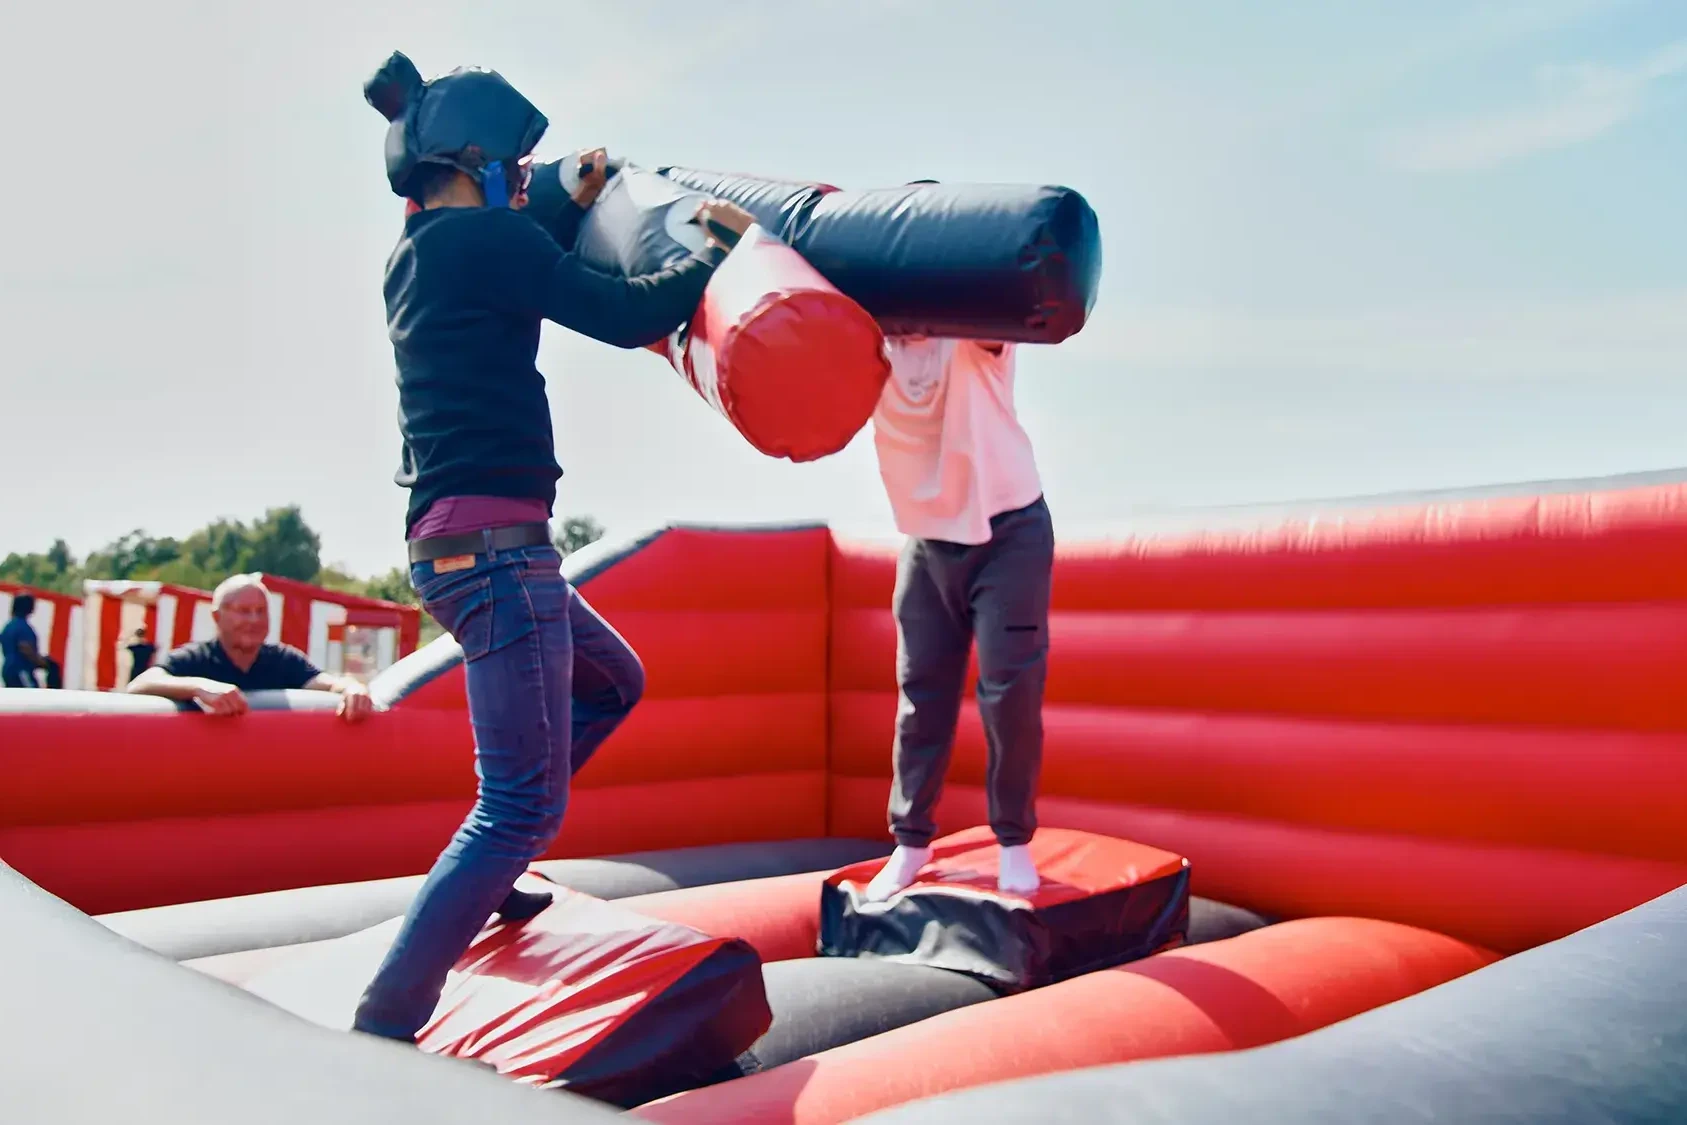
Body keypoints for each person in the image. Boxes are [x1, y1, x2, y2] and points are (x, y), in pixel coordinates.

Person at [349, 52, 755, 1044]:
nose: (530, 179)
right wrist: (711, 246)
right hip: (500, 556)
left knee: (611, 681)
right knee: (518, 807)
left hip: (456, 547)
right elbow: (623, 314)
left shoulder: (423, 248)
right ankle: (381, 1025)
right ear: (478, 161)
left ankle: (496, 885)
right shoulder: (486, 241)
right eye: (519, 166)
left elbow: (509, 242)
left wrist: (556, 200)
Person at [862, 336, 1055, 902]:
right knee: (921, 694)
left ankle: (1014, 839)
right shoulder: (869, 344)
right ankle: (912, 840)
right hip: (928, 539)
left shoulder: (971, 334)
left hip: (1009, 528)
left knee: (1009, 690)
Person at [126, 573, 374, 722]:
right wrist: (199, 688)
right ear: (217, 617)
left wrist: (353, 688)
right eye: (244, 612)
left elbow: (327, 683)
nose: (254, 621)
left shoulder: (282, 660)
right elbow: (139, 684)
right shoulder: (197, 658)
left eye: (261, 612)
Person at [2, 594, 59, 689]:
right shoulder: (23, 627)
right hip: (21, 670)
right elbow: (25, 648)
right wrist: (41, 662)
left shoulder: (8, 626)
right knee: (32, 697)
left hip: (9, 669)